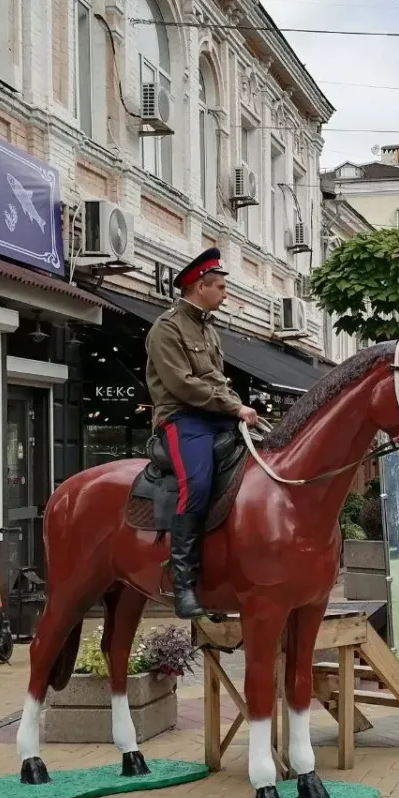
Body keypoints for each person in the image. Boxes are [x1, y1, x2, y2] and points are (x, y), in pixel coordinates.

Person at [145, 248, 259, 619]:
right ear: (200, 286)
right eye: (221, 287)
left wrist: (238, 406)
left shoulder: (209, 328)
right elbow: (182, 384)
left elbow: (216, 379)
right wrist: (232, 407)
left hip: (216, 415)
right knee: (196, 486)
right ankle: (182, 586)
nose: (226, 293)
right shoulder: (167, 328)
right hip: (182, 418)